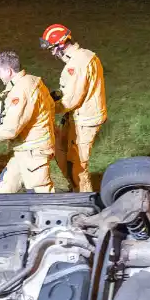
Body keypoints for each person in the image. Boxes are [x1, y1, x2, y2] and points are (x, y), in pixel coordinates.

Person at [40, 24, 106, 192]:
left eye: (53, 48)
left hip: (85, 119)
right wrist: (54, 95)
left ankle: (84, 199)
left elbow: (71, 101)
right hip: (81, 115)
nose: (52, 53)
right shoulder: (85, 55)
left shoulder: (75, 65)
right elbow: (72, 90)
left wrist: (46, 108)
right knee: (61, 148)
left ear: (61, 45)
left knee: (78, 164)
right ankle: (75, 187)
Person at [0, 51, 55, 194]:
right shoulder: (33, 80)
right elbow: (51, 105)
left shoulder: (19, 91)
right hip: (26, 148)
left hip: (34, 151)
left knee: (41, 194)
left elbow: (11, 129)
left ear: (9, 71)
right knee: (6, 185)